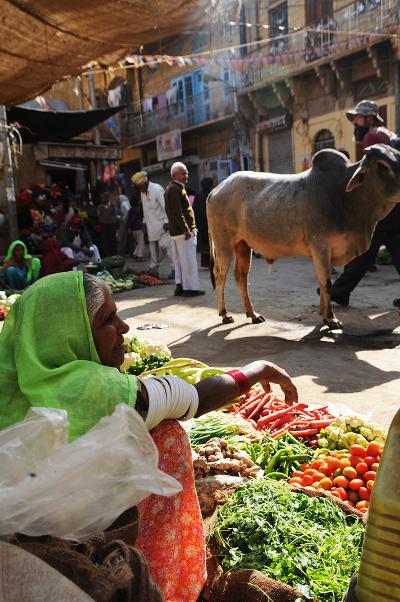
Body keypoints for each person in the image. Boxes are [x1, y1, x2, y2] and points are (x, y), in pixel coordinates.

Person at [0, 271, 297, 602]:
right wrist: (256, 369)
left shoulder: (10, 385)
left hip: (22, 535)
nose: (124, 327)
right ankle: (166, 580)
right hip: (63, 543)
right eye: (108, 320)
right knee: (165, 434)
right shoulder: (99, 390)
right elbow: (189, 399)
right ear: (71, 335)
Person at [329, 100, 400, 308]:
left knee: (364, 248)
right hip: (395, 204)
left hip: (386, 205)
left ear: (369, 119)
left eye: (358, 119)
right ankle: (340, 290)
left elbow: (374, 176)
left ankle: (339, 291)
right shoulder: (387, 134)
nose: (355, 123)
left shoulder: (373, 136)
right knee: (396, 247)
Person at [165, 162, 204, 297]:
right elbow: (177, 212)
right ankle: (190, 289)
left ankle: (180, 286)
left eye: (186, 173)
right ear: (175, 175)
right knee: (188, 261)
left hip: (176, 232)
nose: (186, 175)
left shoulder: (172, 187)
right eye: (183, 173)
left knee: (179, 261)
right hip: (183, 233)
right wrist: (186, 229)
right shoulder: (175, 189)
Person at [131, 171, 174, 277]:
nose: (140, 190)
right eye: (138, 187)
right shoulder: (142, 193)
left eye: (140, 187)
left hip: (162, 225)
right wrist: (144, 223)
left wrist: (167, 221)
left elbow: (166, 206)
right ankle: (153, 269)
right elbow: (145, 210)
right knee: (153, 250)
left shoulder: (157, 189)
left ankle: (175, 269)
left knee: (168, 249)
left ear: (145, 183)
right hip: (151, 226)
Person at [193, 177, 213, 267]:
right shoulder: (212, 194)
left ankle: (207, 263)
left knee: (206, 243)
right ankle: (212, 262)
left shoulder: (199, 194)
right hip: (209, 223)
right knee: (210, 243)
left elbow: (194, 209)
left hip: (202, 223)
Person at [97, 193, 117, 258]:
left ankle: (113, 254)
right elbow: (99, 216)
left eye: (104, 197)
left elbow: (114, 214)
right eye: (102, 198)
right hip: (104, 225)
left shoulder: (112, 206)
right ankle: (107, 254)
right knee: (105, 240)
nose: (103, 199)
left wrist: (111, 220)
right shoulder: (100, 206)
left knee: (112, 240)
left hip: (111, 225)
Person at [127, 189, 145, 261]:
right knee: (141, 243)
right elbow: (138, 218)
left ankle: (135, 254)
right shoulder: (139, 209)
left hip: (133, 229)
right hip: (139, 227)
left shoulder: (131, 209)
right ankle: (140, 256)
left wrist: (129, 227)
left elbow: (129, 219)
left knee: (138, 242)